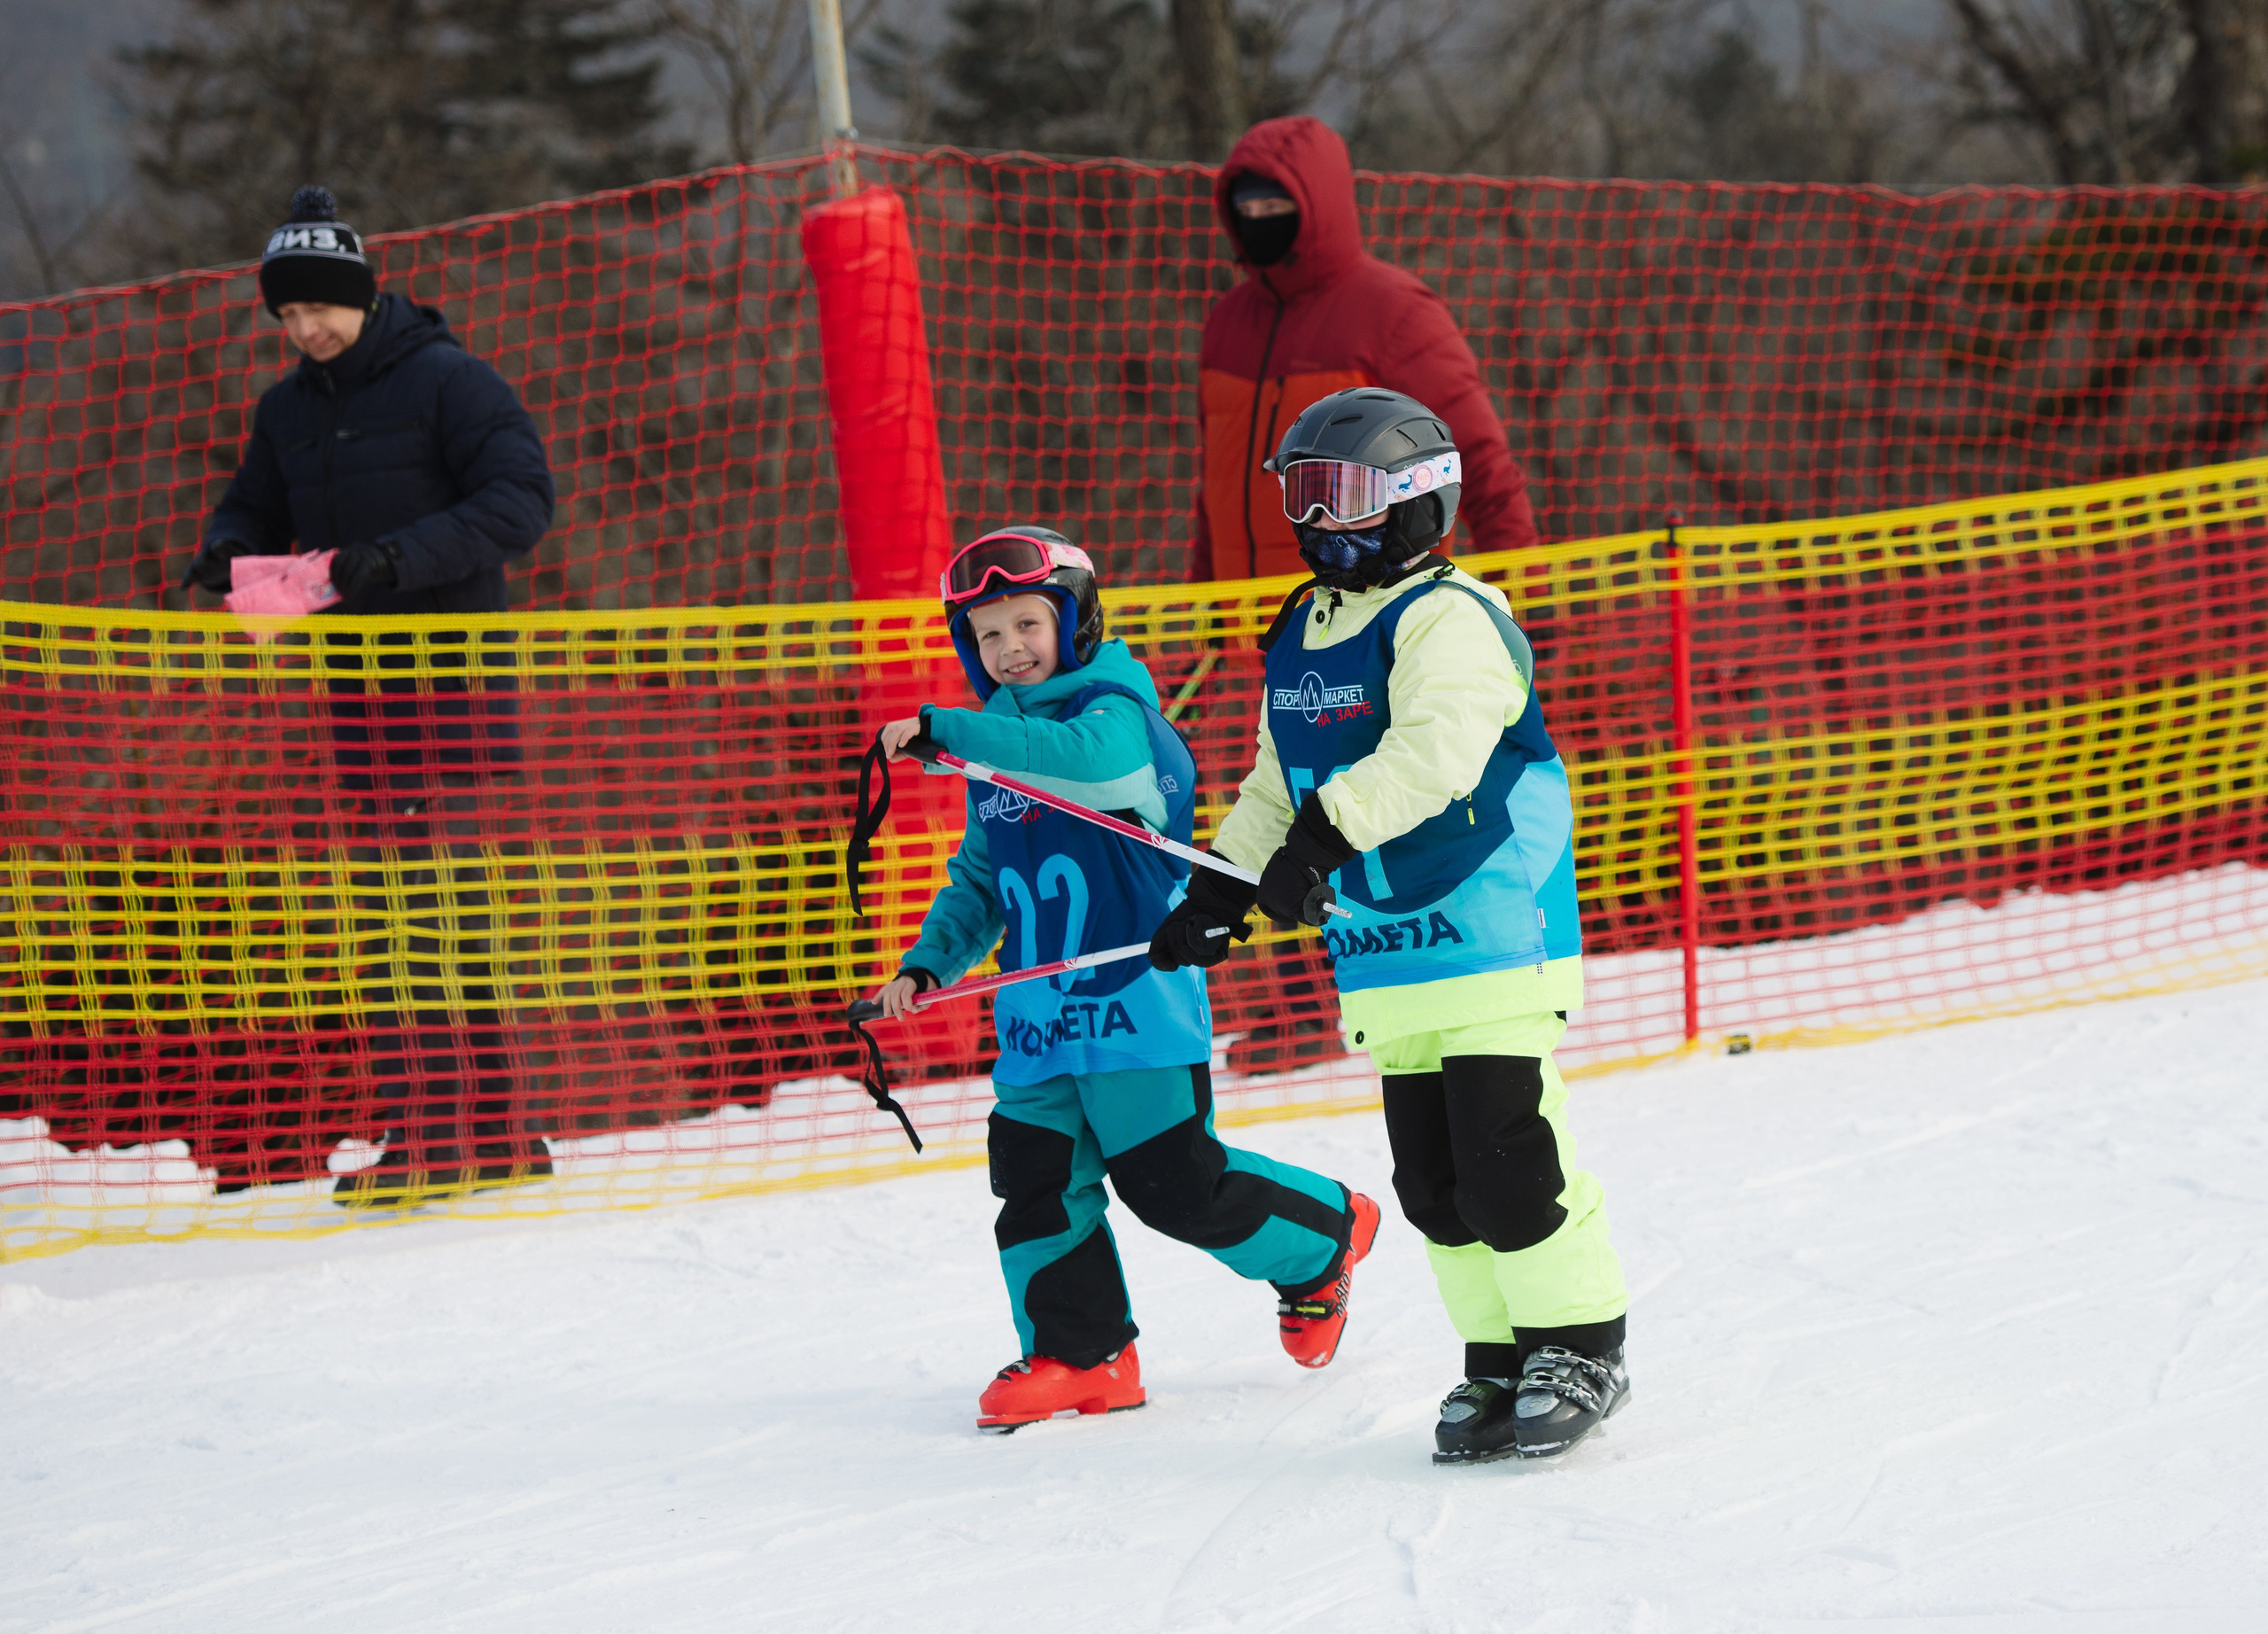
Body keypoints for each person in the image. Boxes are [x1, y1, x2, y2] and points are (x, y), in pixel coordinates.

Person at [1149, 387, 1630, 1464]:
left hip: (1489, 922)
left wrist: (1316, 842)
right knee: (1435, 1185)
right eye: (1306, 494)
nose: (1323, 519)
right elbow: (1276, 781)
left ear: (1420, 500)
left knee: (1507, 1157)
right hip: (1382, 945)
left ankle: (1578, 1342)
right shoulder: (1303, 629)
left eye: (1349, 494)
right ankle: (1497, 1355)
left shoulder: (1448, 615)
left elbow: (1433, 753)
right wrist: (1218, 889)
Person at [869, 525, 1382, 1432]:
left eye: (1028, 624)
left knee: (1174, 1186)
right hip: (1036, 1019)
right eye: (988, 635)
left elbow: (1093, 766)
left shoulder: (1118, 714)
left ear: (1074, 621)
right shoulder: (992, 756)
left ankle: (1321, 1237)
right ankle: (1082, 1354)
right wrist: (928, 962)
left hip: (1136, 1006)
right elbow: (980, 881)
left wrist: (950, 729)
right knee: (1034, 1183)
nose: (1010, 648)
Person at [180, 185, 557, 1208]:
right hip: (358, 696)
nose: (305, 327)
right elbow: (253, 503)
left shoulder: (450, 381)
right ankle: (494, 1133)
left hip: (451, 689)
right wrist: (226, 549)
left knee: (427, 915)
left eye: (319, 306)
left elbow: (522, 501)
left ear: (362, 293)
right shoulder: (286, 410)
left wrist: (397, 557)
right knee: (412, 911)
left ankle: (440, 1135)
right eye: (288, 313)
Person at [1191, 116, 1538, 583]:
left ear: (1317, 205)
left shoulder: (1398, 314)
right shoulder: (1227, 323)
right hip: (1241, 621)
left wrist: (1528, 610)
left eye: (1273, 206)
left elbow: (1480, 469)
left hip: (1370, 616)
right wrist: (1202, 612)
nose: (1258, 222)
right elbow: (1215, 498)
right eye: (1246, 210)